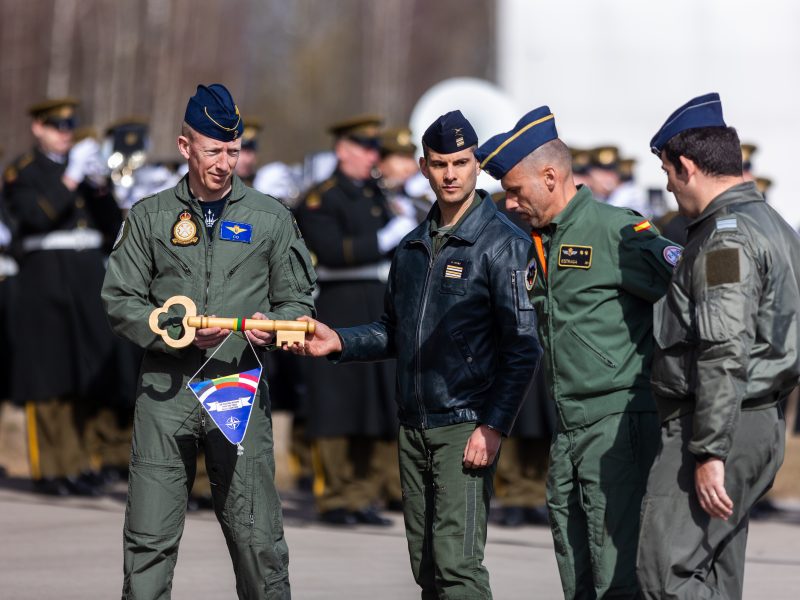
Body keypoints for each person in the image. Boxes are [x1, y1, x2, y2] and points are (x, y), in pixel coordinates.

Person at [290, 110, 541, 598]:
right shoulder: (411, 247)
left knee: (458, 569)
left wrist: (492, 425)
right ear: (424, 168)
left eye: (461, 163)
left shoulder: (502, 244)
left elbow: (522, 346)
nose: (451, 174)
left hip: (464, 426)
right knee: (427, 571)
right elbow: (394, 331)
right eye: (440, 163)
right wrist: (339, 340)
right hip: (413, 426)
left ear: (476, 167)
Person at [101, 83, 315, 599]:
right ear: (184, 147)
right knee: (149, 539)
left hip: (235, 382)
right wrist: (175, 332)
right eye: (213, 150)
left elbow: (300, 301)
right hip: (165, 390)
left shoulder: (270, 218)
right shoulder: (150, 217)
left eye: (233, 150)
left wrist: (275, 322)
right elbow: (119, 298)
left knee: (257, 538)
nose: (225, 162)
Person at [476, 106, 679, 599]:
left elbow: (690, 293)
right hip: (567, 427)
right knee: (576, 565)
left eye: (516, 191)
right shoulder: (537, 242)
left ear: (550, 177)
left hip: (619, 426)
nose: (509, 204)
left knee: (618, 571)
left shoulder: (616, 231)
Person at [636, 92, 800, 599]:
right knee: (715, 574)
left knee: (665, 573)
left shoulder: (725, 239)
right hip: (752, 419)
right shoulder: (771, 224)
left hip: (719, 423)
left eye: (667, 173)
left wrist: (709, 451)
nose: (668, 188)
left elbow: (724, 349)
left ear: (686, 166)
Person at [294, 114, 414, 527]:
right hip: (340, 301)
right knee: (337, 404)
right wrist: (382, 239)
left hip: (376, 300)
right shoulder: (322, 197)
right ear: (343, 149)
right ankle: (335, 497)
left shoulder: (377, 194)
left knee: (374, 401)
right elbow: (328, 249)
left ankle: (364, 493)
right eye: (364, 148)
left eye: (374, 149)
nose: (371, 156)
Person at [3, 97, 122, 497]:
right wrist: (69, 179)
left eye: (70, 126)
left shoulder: (82, 174)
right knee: (48, 377)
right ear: (38, 127)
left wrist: (100, 186)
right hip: (45, 279)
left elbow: (113, 226)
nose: (65, 132)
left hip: (84, 275)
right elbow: (34, 217)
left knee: (82, 374)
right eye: (57, 125)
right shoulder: (25, 171)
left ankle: (77, 463)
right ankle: (49, 468)